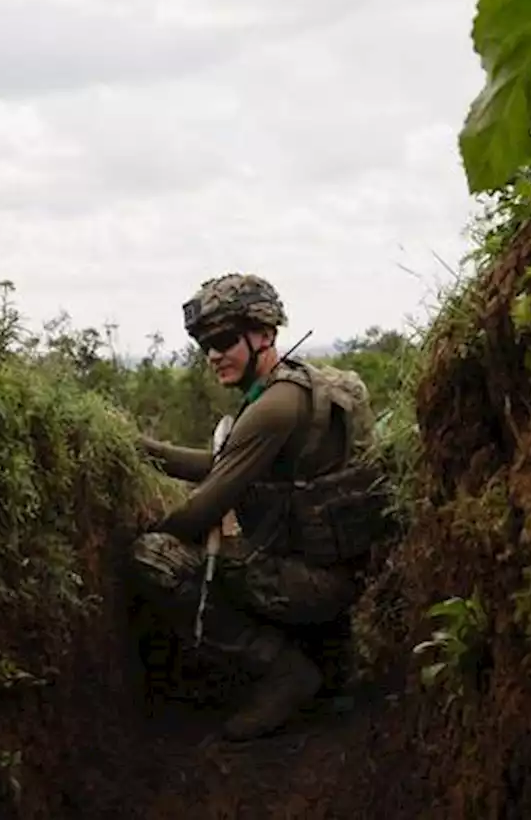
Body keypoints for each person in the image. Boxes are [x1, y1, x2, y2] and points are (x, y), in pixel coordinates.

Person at [131, 273, 377, 741]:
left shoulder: (274, 406)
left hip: (312, 584)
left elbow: (205, 508)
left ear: (264, 335)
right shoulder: (296, 386)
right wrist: (142, 448)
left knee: (154, 555)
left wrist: (150, 524)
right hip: (332, 573)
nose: (214, 355)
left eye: (224, 340)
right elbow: (225, 464)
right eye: (206, 345)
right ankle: (327, 656)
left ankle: (284, 671)